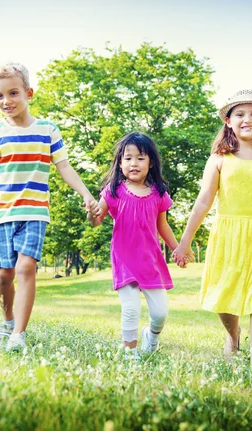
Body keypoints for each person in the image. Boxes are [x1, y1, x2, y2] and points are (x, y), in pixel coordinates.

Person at [0, 63, 97, 351]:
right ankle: (7, 320)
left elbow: (64, 166)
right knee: (3, 274)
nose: (7, 101)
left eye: (13, 93)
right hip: (1, 212)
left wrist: (86, 193)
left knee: (26, 268)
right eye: (0, 96)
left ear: (28, 93)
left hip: (33, 211)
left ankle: (18, 334)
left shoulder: (48, 130)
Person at [173, 89, 252, 371]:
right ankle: (233, 334)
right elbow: (203, 201)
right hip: (229, 234)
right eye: (240, 114)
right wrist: (184, 242)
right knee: (224, 295)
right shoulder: (219, 158)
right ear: (228, 120)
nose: (247, 119)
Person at [88, 132, 179, 357]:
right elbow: (96, 220)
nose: (134, 163)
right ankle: (130, 355)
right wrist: (91, 213)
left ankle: (152, 338)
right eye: (128, 158)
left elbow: (163, 226)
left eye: (140, 158)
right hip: (124, 258)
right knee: (130, 308)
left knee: (160, 313)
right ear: (120, 163)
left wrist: (178, 249)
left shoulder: (159, 193)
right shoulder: (113, 190)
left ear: (151, 163)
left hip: (150, 261)